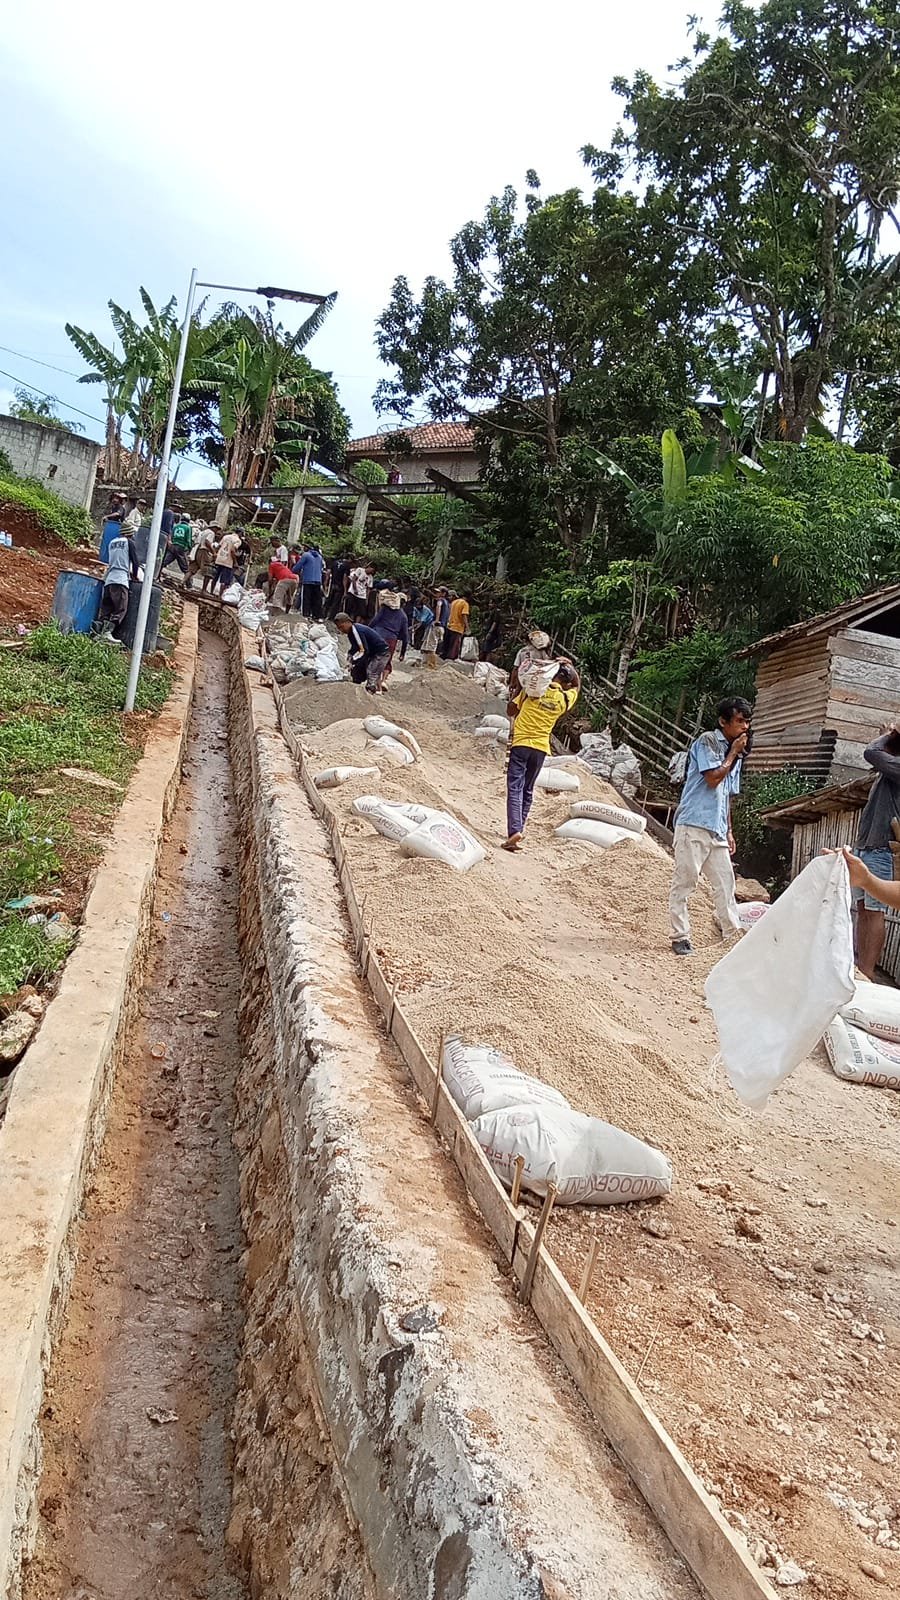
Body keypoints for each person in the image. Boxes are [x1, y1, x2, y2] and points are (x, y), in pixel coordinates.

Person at [668, 696, 752, 956]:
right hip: (693, 822)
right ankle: (680, 936)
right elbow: (714, 779)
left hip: (716, 828)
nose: (745, 727)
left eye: (747, 722)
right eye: (739, 721)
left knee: (726, 884)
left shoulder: (736, 754)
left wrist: (729, 830)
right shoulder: (708, 741)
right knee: (686, 881)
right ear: (723, 722)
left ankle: (731, 936)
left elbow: (727, 795)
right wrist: (733, 753)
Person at [503, 662, 581, 851]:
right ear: (565, 683)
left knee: (515, 786)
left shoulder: (533, 690)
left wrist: (520, 688)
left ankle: (514, 830)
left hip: (521, 744)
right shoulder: (563, 699)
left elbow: (510, 710)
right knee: (528, 789)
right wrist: (569, 665)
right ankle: (518, 829)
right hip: (540, 748)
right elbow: (577, 686)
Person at [843, 726, 900, 978]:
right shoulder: (891, 767)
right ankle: (860, 967)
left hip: (883, 848)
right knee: (863, 908)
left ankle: (867, 971)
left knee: (875, 910)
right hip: (869, 844)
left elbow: (871, 751)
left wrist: (890, 734)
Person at [96, 524, 139, 642]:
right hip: (120, 580)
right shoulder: (129, 543)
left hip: (109, 579)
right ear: (129, 533)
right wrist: (135, 576)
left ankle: (98, 632)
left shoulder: (112, 542)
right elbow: (135, 562)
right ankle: (107, 632)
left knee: (106, 608)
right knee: (120, 608)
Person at [335, 612, 391, 694]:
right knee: (359, 671)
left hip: (380, 652)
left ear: (348, 622)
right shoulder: (351, 633)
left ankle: (372, 691)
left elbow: (363, 650)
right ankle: (364, 688)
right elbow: (355, 647)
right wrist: (350, 656)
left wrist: (352, 661)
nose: (341, 630)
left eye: (341, 627)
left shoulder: (356, 631)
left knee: (372, 672)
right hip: (372, 652)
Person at [371, 590, 409, 685]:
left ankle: (376, 681)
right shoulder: (403, 616)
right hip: (391, 640)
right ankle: (383, 681)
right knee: (387, 661)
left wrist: (368, 630)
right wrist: (402, 653)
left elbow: (375, 620)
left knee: (375, 658)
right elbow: (405, 635)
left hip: (378, 635)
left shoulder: (384, 609)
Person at [296, 542, 325, 619]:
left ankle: (306, 614)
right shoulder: (319, 557)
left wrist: (292, 571)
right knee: (316, 599)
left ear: (307, 548)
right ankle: (317, 616)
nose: (303, 548)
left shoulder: (306, 555)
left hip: (307, 580)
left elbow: (298, 566)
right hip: (318, 581)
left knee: (306, 598)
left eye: (304, 547)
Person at [160, 507, 190, 579]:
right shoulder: (188, 528)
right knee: (185, 567)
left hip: (173, 546)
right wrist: (189, 548)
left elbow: (172, 535)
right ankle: (188, 583)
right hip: (181, 547)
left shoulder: (176, 526)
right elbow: (188, 539)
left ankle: (156, 573)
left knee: (164, 562)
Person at [441, 590, 472, 660]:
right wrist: (467, 627)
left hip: (450, 625)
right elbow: (464, 615)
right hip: (458, 627)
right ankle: (450, 660)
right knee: (454, 647)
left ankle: (444, 657)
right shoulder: (465, 604)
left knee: (448, 645)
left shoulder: (454, 602)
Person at [212, 527, 242, 596]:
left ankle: (211, 592)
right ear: (240, 533)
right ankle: (220, 596)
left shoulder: (226, 537)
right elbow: (232, 550)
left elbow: (218, 546)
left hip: (219, 559)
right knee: (224, 580)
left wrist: (215, 555)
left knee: (215, 577)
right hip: (228, 562)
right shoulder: (238, 540)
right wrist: (235, 562)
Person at [187, 522, 216, 592]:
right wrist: (214, 552)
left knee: (192, 568)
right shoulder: (211, 533)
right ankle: (204, 590)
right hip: (204, 551)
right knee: (208, 569)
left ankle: (183, 582)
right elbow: (207, 542)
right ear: (214, 528)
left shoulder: (203, 532)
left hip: (197, 550)